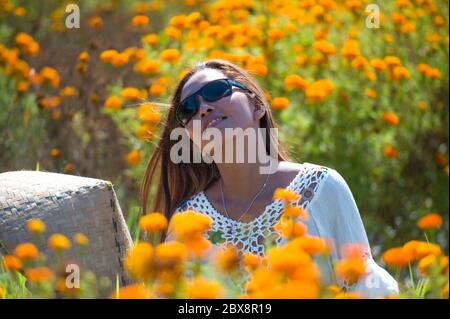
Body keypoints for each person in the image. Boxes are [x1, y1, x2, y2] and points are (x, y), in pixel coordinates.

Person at [140, 59, 399, 298]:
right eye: (188, 109)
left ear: (256, 105)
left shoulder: (322, 188)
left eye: (216, 90)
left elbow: (366, 286)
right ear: (190, 138)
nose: (204, 108)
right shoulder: (188, 223)